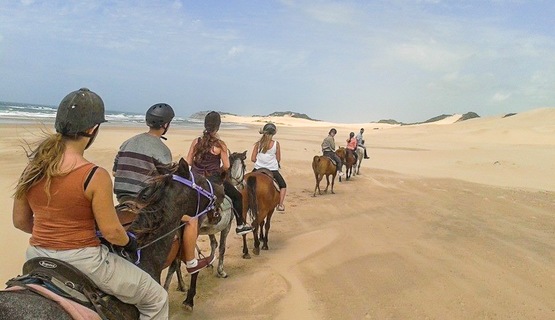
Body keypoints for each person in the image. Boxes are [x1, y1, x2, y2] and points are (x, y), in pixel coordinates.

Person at [12, 88, 168, 319]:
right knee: (157, 299)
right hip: (84, 261)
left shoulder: (33, 168)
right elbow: (112, 232)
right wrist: (129, 242)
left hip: (36, 256)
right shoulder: (94, 175)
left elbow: (20, 221)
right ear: (92, 129)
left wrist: (53, 235)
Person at [112, 103, 212, 274]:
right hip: (147, 204)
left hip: (122, 200)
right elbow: (168, 184)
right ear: (165, 125)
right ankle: (191, 262)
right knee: (191, 221)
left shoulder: (127, 143)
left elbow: (115, 172)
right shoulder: (161, 149)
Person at [186, 111, 253, 235]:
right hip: (213, 180)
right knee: (237, 196)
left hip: (195, 179)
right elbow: (227, 166)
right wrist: (219, 170)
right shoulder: (220, 145)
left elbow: (189, 161)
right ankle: (240, 225)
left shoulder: (196, 141)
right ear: (218, 127)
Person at [251, 123, 287, 212]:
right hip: (272, 170)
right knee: (283, 185)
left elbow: (252, 159)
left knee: (245, 183)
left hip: (258, 169)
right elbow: (278, 158)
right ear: (274, 133)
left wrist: (260, 162)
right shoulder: (276, 144)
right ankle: (280, 205)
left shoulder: (258, 144)